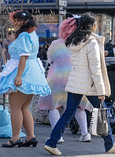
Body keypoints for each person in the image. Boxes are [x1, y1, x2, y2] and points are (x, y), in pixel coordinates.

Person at [44, 13, 115, 156]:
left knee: (68, 114)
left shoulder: (74, 41)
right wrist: (101, 90)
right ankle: (110, 144)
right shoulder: (91, 43)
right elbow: (95, 69)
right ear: (92, 26)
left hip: (75, 82)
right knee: (101, 114)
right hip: (89, 85)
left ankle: (51, 142)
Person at [0, 10, 51, 148]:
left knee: (15, 107)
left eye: (19, 20)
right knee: (24, 107)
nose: (16, 23)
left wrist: (18, 76)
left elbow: (23, 57)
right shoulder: (31, 33)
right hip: (31, 71)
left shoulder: (24, 35)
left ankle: (15, 137)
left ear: (26, 21)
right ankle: (30, 136)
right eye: (16, 20)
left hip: (24, 72)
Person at [38, 15, 92, 143]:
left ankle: (58, 136)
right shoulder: (83, 43)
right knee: (79, 107)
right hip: (76, 79)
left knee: (54, 107)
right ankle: (85, 134)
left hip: (57, 79)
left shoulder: (56, 44)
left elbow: (50, 59)